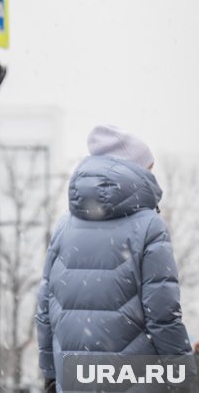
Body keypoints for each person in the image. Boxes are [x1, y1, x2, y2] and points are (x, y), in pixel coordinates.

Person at [36, 125, 193, 393]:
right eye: (150, 168)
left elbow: (45, 311)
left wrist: (51, 375)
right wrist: (185, 377)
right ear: (137, 171)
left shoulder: (64, 228)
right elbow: (163, 314)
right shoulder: (150, 227)